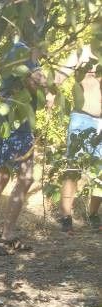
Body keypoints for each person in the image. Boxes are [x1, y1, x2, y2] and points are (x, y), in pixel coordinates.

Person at [0, 40, 44, 255]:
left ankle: (8, 235)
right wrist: (52, 80)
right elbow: (36, 83)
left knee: (26, 178)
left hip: (22, 126)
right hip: (9, 125)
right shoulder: (19, 51)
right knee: (1, 178)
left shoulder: (31, 56)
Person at [58, 52, 101, 233]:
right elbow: (59, 75)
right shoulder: (81, 52)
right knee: (73, 170)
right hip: (81, 119)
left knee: (100, 172)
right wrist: (51, 94)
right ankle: (66, 217)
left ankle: (93, 215)